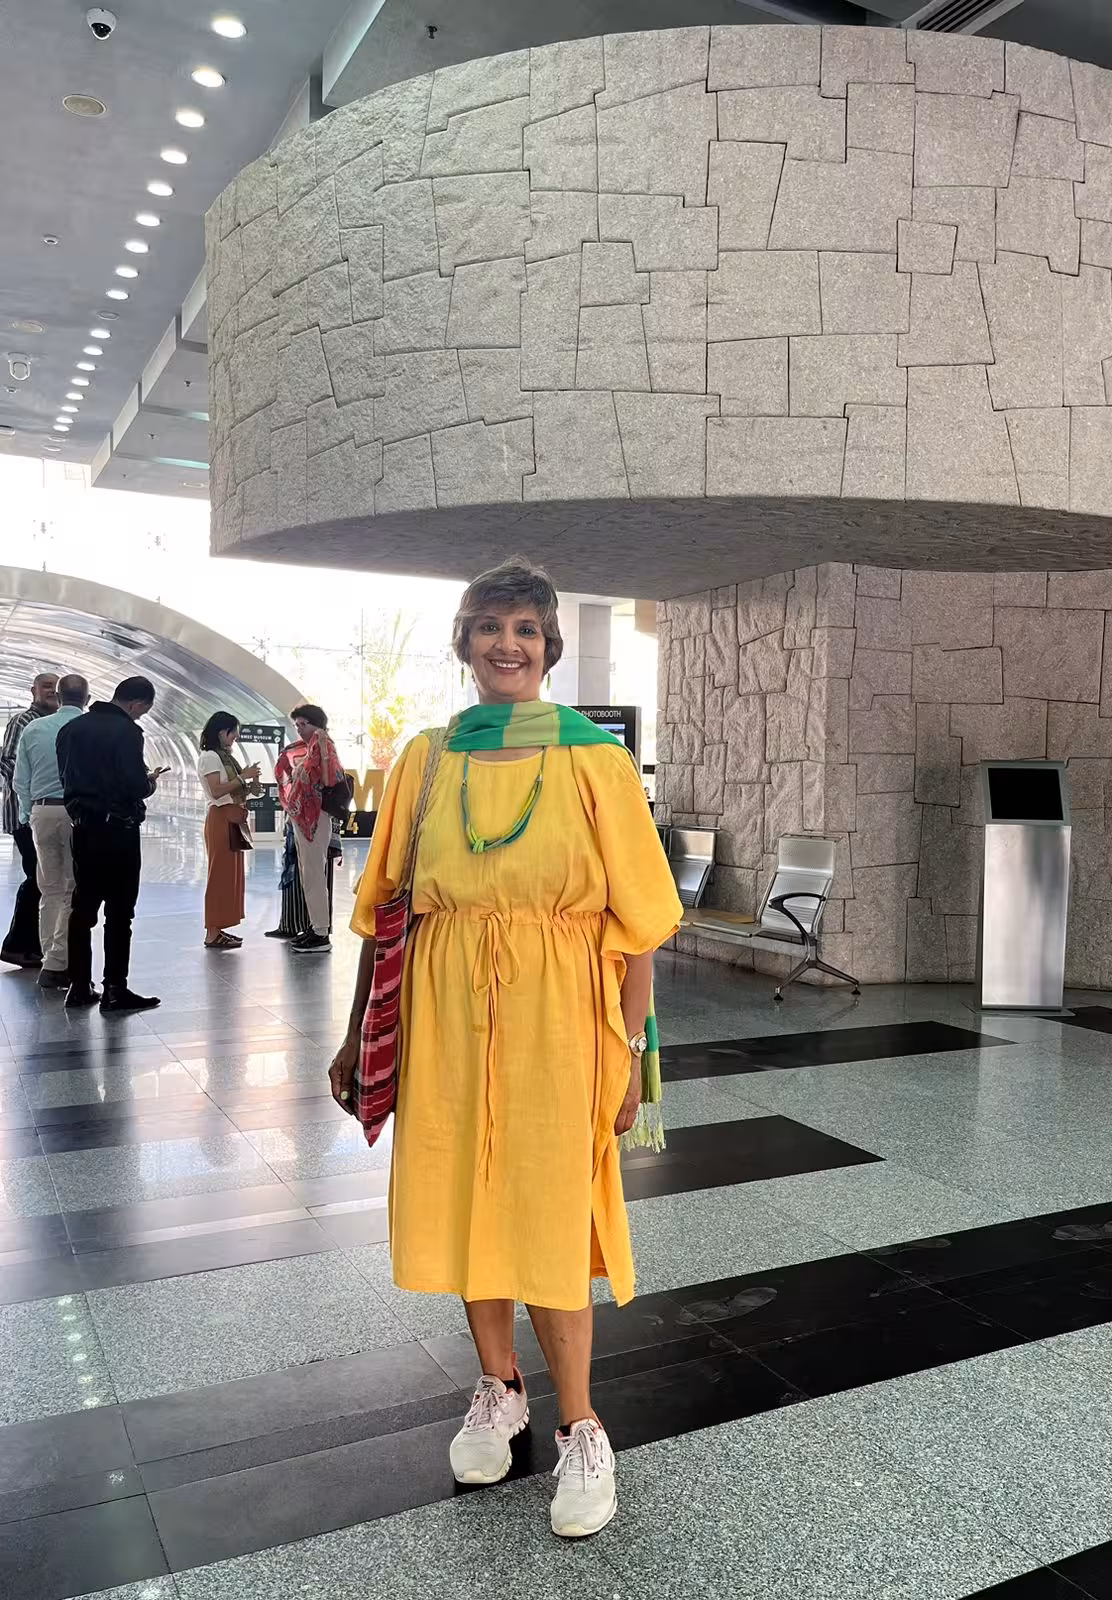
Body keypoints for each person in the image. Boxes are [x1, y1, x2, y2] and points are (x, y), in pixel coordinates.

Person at [328, 559, 682, 1539]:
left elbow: (639, 926)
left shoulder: (592, 764)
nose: (508, 643)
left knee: (554, 1216)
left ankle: (580, 1424)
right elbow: (386, 913)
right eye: (490, 625)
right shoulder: (424, 761)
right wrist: (361, 1036)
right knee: (468, 1200)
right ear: (463, 641)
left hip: (560, 1021)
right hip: (443, 1020)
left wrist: (630, 1061)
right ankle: (498, 1388)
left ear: (550, 647)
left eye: (526, 627)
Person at [57, 675, 166, 1012]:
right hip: (118, 831)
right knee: (120, 913)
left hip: (83, 829)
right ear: (135, 703)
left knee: (82, 910)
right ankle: (115, 989)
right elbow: (133, 784)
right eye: (142, 711)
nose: (140, 717)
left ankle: (77, 987)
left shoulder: (71, 729)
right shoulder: (127, 732)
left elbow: (66, 777)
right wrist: (149, 784)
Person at [13, 674, 89, 989]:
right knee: (74, 888)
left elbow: (20, 780)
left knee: (49, 889)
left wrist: (29, 813)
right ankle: (59, 962)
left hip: (42, 812)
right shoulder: (88, 728)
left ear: (58, 696)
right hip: (76, 813)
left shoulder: (32, 729)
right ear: (86, 698)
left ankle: (50, 959)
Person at [0, 672, 60, 968]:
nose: (51, 691)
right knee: (37, 877)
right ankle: (16, 945)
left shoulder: (53, 723)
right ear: (33, 690)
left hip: (39, 812)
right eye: (46, 686)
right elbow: (9, 763)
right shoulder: (23, 722)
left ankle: (28, 944)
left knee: (41, 877)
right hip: (25, 814)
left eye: (56, 687)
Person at [275, 705, 344, 954]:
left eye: (304, 724)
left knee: (314, 873)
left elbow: (329, 779)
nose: (300, 729)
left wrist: (320, 752)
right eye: (297, 725)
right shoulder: (309, 747)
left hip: (316, 816)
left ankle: (321, 932)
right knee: (309, 874)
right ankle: (316, 927)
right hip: (305, 816)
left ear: (317, 724)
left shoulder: (323, 745)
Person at [197, 712, 261, 950]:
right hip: (221, 818)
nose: (235, 736)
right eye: (232, 731)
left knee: (229, 877)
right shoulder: (210, 757)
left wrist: (250, 783)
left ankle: (218, 928)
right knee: (219, 876)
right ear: (220, 732)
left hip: (233, 817)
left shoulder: (226, 758)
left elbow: (234, 788)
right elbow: (216, 790)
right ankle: (212, 932)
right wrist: (243, 778)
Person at [264, 814, 341, 940]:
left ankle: (318, 929)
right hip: (301, 814)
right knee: (301, 874)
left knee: (316, 875)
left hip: (314, 814)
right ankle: (292, 925)